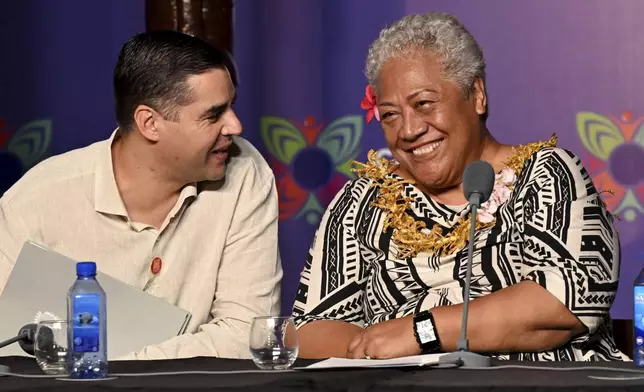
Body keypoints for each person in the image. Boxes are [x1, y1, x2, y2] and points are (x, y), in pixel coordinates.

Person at [292, 12, 627, 361]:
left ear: (477, 94)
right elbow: (308, 329)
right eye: (390, 114)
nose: (408, 130)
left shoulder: (548, 175)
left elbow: (565, 305)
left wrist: (421, 332)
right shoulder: (364, 200)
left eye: (423, 104)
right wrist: (385, 351)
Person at [0, 31, 282, 360]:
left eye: (232, 107)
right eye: (214, 114)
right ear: (149, 123)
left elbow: (247, 333)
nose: (235, 126)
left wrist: (102, 363)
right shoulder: (36, 199)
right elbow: (7, 345)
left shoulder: (245, 172)